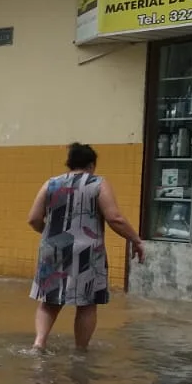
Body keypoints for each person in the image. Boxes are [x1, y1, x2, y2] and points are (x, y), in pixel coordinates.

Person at [27, 142, 144, 352]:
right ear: (91, 165)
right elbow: (114, 218)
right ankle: (80, 351)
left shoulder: (51, 184)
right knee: (87, 303)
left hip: (53, 249)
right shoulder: (98, 184)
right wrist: (135, 240)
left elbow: (34, 219)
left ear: (69, 164)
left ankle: (39, 344)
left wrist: (50, 234)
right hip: (87, 252)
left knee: (50, 300)